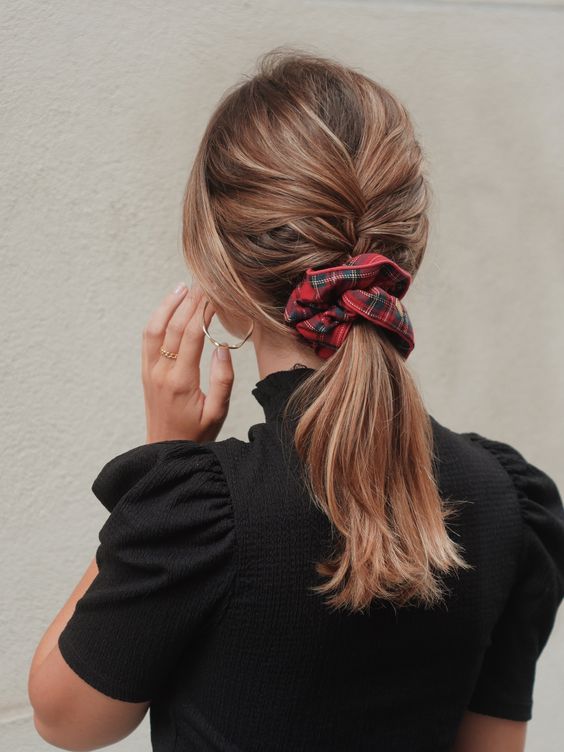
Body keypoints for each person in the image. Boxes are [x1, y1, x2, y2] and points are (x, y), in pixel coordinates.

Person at [29, 48, 564, 752]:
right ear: (403, 255)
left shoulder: (200, 509)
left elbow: (65, 719)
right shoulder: (509, 503)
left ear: (224, 276)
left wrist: (165, 463)